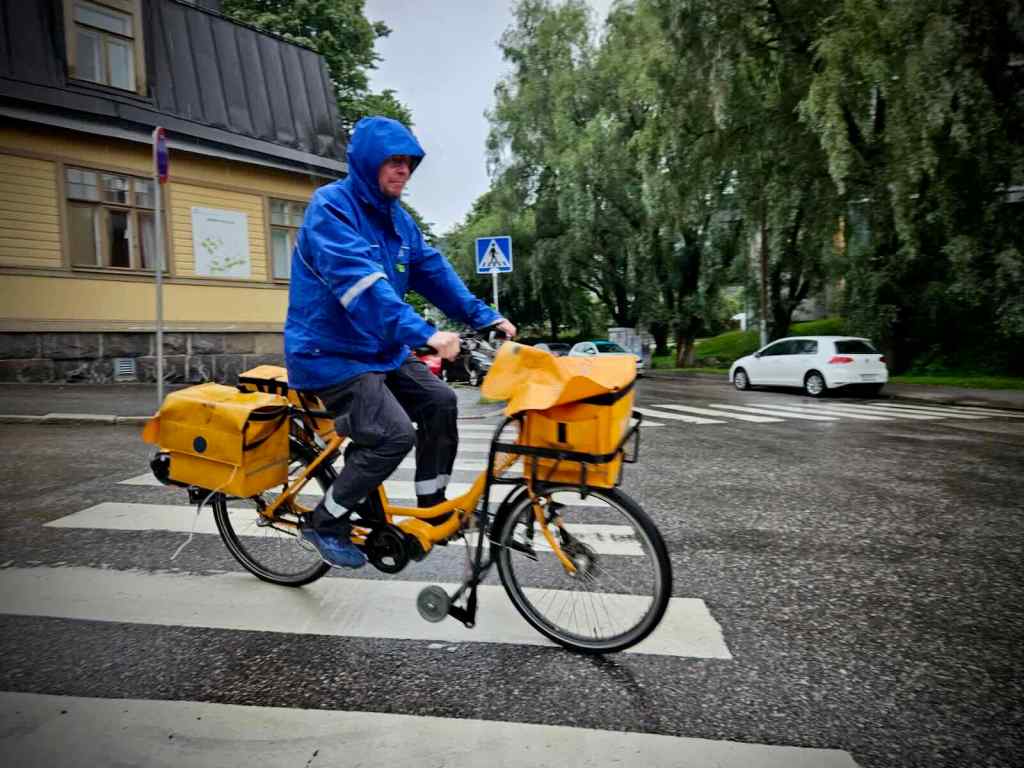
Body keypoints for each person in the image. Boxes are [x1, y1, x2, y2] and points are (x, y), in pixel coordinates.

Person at [284, 116, 516, 568]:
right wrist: (426, 334)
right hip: (330, 354)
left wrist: (486, 317)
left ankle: (432, 506)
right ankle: (324, 522)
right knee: (392, 435)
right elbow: (363, 287)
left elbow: (434, 273)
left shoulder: (399, 221)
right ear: (368, 163)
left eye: (409, 164)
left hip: (379, 351)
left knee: (440, 400)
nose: (402, 171)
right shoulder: (331, 209)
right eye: (393, 161)